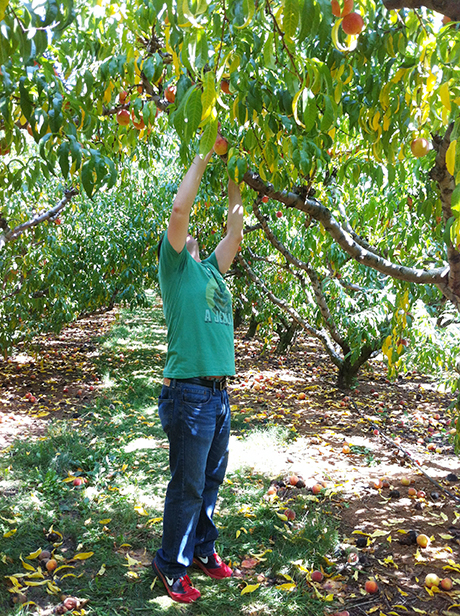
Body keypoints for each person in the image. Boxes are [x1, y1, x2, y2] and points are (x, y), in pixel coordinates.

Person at [152, 144, 244, 603]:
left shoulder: (212, 271)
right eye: (183, 234)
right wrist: (209, 152)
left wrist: (235, 172)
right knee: (188, 484)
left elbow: (236, 229)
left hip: (219, 394)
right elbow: (179, 207)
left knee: (210, 481)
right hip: (189, 394)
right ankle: (171, 563)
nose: (189, 234)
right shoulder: (175, 268)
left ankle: (203, 550)